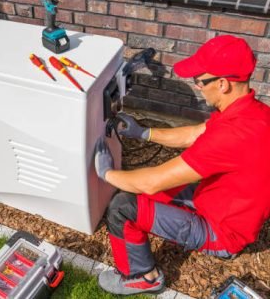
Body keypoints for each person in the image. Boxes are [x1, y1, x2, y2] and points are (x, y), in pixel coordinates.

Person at [94, 35, 270, 295]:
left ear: (222, 84)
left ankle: (142, 278)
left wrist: (105, 173)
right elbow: (193, 134)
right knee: (139, 189)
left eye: (200, 80)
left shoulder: (232, 136)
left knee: (122, 207)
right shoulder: (252, 113)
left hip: (221, 231)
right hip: (222, 206)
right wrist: (144, 133)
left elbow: (151, 182)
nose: (197, 86)